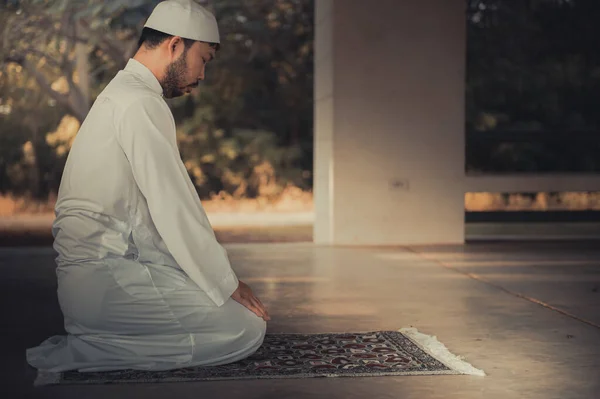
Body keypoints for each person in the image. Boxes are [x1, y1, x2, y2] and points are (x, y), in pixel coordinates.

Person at [26, 0, 269, 373]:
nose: (203, 75)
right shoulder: (139, 103)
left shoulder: (122, 94)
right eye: (203, 59)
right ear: (174, 45)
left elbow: (148, 221)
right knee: (246, 329)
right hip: (105, 284)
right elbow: (173, 206)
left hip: (92, 284)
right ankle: (92, 349)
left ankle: (101, 337)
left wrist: (213, 281)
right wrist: (226, 282)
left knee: (220, 305)